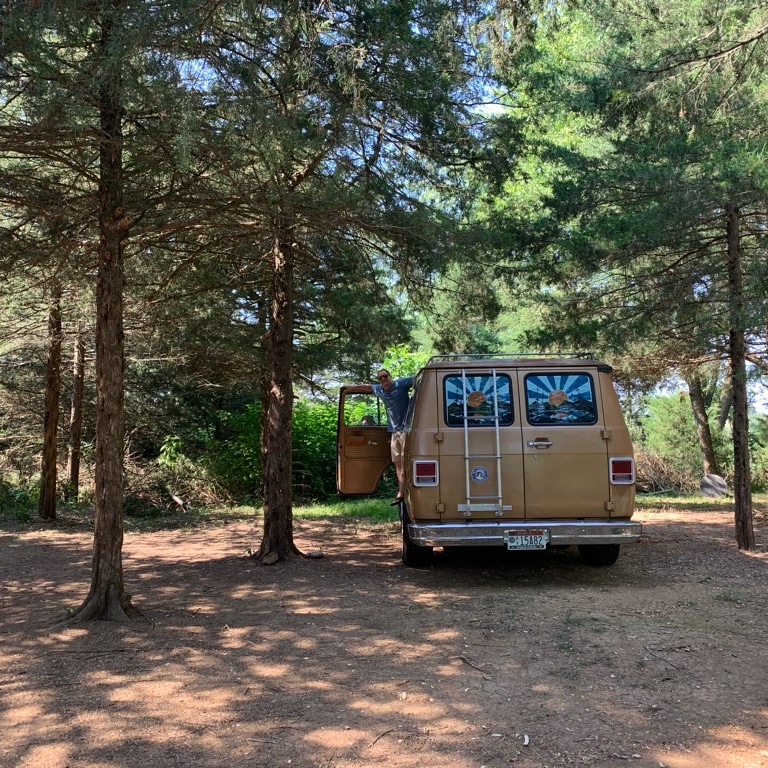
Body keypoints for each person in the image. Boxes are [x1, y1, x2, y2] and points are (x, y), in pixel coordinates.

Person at [346, 368, 414, 505]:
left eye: (385, 376)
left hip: (406, 430)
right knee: (398, 463)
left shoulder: (401, 384)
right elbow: (367, 386)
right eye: (380, 378)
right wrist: (350, 387)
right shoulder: (380, 390)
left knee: (407, 462)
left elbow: (419, 378)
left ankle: (408, 492)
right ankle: (401, 492)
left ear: (390, 376)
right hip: (394, 432)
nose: (383, 379)